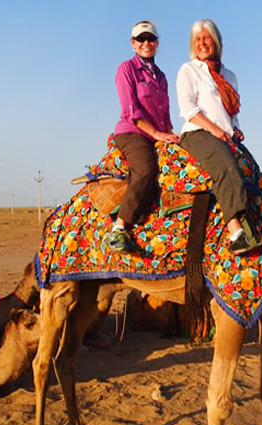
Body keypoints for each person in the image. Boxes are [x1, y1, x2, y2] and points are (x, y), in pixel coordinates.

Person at [176, 19, 262, 255]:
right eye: (197, 39)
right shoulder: (189, 70)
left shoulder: (229, 75)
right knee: (226, 167)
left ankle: (257, 225)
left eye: (206, 38)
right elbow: (188, 107)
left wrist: (235, 128)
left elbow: (231, 111)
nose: (202, 43)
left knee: (253, 172)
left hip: (224, 135)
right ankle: (236, 232)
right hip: (197, 133)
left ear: (216, 41)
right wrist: (214, 128)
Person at [105, 21, 179, 253]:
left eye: (151, 39)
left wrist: (171, 134)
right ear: (133, 43)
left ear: (157, 43)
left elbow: (165, 113)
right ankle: (119, 227)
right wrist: (157, 133)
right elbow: (131, 111)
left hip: (157, 134)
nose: (146, 43)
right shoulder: (126, 69)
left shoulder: (162, 77)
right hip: (133, 132)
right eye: (141, 39)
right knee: (145, 169)